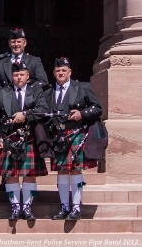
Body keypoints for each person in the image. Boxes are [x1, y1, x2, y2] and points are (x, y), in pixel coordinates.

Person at [0, 28, 50, 192]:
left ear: (24, 43)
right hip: (7, 110)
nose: (16, 44)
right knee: (10, 167)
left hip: (27, 109)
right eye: (13, 41)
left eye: (19, 41)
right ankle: (7, 184)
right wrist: (7, 95)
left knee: (28, 171)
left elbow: (43, 81)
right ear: (9, 43)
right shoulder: (0, 63)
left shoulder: (34, 61)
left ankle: (24, 203)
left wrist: (27, 90)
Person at [48, 57, 102, 220]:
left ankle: (76, 207)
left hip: (76, 133)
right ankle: (64, 206)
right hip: (58, 136)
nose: (61, 73)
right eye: (58, 71)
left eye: (64, 70)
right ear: (54, 73)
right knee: (62, 171)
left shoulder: (82, 87)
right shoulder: (48, 91)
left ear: (69, 72)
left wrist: (82, 114)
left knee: (75, 170)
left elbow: (97, 108)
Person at [0, 61, 49, 221]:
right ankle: (15, 207)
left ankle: (27, 207)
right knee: (11, 175)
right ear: (12, 76)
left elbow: (44, 110)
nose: (19, 77)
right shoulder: (3, 92)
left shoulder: (36, 90)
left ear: (28, 76)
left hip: (29, 137)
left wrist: (25, 114)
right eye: (16, 74)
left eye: (22, 74)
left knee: (30, 175)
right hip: (10, 137)